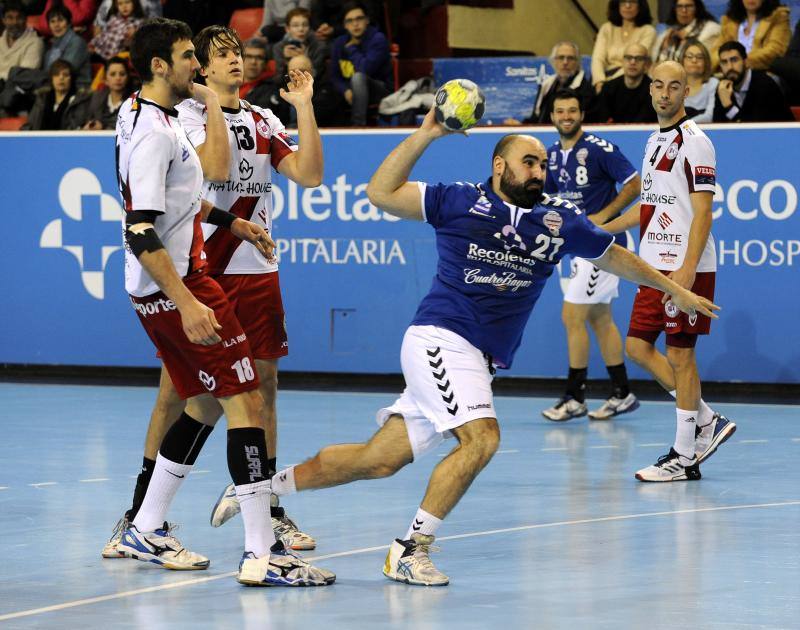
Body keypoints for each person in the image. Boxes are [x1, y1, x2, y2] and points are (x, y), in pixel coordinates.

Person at [261, 109, 718, 585]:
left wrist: (673, 287)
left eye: (543, 164)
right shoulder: (460, 200)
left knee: (378, 459)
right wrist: (427, 134)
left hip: (477, 359)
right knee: (482, 438)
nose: (539, 171)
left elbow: (615, 255)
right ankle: (410, 550)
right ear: (500, 166)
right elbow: (381, 193)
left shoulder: (558, 219)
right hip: (441, 337)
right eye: (528, 162)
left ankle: (259, 490)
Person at [111, 17, 333, 586]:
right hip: (185, 279)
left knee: (209, 403)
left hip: (185, 276)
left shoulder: (141, 113)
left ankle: (146, 525)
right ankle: (262, 553)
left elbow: (183, 199)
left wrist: (234, 221)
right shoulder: (166, 126)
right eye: (193, 56)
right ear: (171, 65)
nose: (204, 65)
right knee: (241, 402)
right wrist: (185, 299)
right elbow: (143, 226)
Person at [602, 60, 736, 482]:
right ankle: (706, 420)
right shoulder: (652, 139)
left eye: (673, 86)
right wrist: (599, 230)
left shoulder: (696, 142)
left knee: (681, 355)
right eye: (657, 85)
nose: (663, 93)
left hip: (684, 267)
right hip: (652, 266)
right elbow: (648, 208)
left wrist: (687, 271)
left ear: (686, 91)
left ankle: (683, 456)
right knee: (637, 348)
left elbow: (703, 214)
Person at [540, 88, 641, 422]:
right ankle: (622, 392)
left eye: (572, 111)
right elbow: (549, 200)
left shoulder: (599, 149)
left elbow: (635, 183)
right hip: (574, 246)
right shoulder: (551, 154)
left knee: (572, 317)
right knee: (599, 318)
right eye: (560, 111)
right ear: (552, 116)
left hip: (601, 245)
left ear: (581, 114)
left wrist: (606, 218)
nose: (566, 117)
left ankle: (574, 397)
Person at [503, 41, 597, 126]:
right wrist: (520, 126)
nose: (565, 62)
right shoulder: (546, 85)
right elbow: (536, 117)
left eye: (570, 58)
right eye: (561, 57)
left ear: (578, 62)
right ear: (553, 61)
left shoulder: (586, 90)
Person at [330, 0, 392, 126]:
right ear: (345, 25)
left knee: (358, 78)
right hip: (351, 92)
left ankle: (357, 125)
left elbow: (365, 69)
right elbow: (334, 76)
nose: (355, 24)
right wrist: (345, 90)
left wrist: (352, 49)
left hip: (379, 91)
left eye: (359, 18)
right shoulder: (339, 43)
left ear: (367, 20)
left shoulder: (377, 39)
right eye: (350, 21)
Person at [713, 40, 792, 121]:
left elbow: (754, 129)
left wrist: (728, 106)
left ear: (746, 62)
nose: (729, 67)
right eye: (724, 62)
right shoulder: (722, 89)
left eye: (734, 60)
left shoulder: (764, 85)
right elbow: (718, 126)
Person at [591, 0, 656, 94]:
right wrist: (599, 81)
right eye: (623, 1)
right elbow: (597, 58)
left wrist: (610, 84)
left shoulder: (648, 31)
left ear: (640, 6)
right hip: (603, 81)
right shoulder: (607, 28)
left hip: (632, 82)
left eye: (632, 2)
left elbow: (637, 62)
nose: (627, 5)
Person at [711, 0, 790, 71]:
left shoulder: (778, 17)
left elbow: (776, 50)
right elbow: (718, 49)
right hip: (730, 72)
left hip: (763, 72)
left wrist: (740, 62)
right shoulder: (730, 20)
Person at [596, 42, 657, 123]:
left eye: (638, 58)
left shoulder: (654, 91)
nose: (632, 62)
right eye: (628, 57)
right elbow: (602, 122)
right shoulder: (608, 88)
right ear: (622, 61)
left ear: (646, 64)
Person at [24, 59, 86, 129]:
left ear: (71, 79)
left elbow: (76, 127)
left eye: (65, 75)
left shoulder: (78, 100)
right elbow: (31, 125)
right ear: (51, 79)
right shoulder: (42, 99)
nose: (61, 78)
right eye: (56, 74)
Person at [652, 0, 720, 64]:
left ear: (697, 8)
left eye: (689, 6)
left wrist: (687, 39)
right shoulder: (668, 32)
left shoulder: (710, 29)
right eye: (679, 6)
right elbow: (655, 61)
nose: (684, 10)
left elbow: (700, 61)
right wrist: (665, 45)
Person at [271, 7, 327, 81]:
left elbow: (318, 76)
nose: (301, 29)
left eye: (305, 25)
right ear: (287, 29)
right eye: (295, 25)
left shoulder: (319, 47)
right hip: (288, 87)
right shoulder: (279, 48)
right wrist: (286, 62)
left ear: (309, 28)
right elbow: (280, 79)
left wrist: (304, 58)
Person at [42, 4, 91, 88]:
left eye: (60, 20)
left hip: (76, 89)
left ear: (69, 23)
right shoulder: (51, 46)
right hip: (54, 87)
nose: (56, 25)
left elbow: (64, 71)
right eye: (52, 21)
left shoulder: (77, 42)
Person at [79, 56, 134, 129]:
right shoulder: (96, 98)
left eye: (122, 74)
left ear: (128, 78)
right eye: (113, 74)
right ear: (105, 79)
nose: (118, 78)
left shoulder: (134, 100)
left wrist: (103, 127)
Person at [0, 1, 44, 85]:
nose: (15, 22)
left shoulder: (35, 43)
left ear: (25, 19)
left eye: (19, 18)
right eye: (10, 18)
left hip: (15, 93)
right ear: (4, 21)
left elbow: (23, 76)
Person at [681, 39, 718, 123]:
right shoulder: (675, 85)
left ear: (706, 62)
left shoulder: (713, 84)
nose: (694, 60)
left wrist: (685, 126)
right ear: (682, 61)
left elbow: (710, 116)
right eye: (689, 57)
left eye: (699, 57)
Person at [239, 37, 276, 104]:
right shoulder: (227, 83)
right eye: (248, 56)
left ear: (266, 63)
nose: (253, 62)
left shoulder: (273, 89)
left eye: (259, 58)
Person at [93, 0, 161, 31]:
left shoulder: (149, 3)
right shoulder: (108, 3)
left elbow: (156, 27)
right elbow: (98, 25)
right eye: (120, 4)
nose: (124, 6)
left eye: (127, 2)